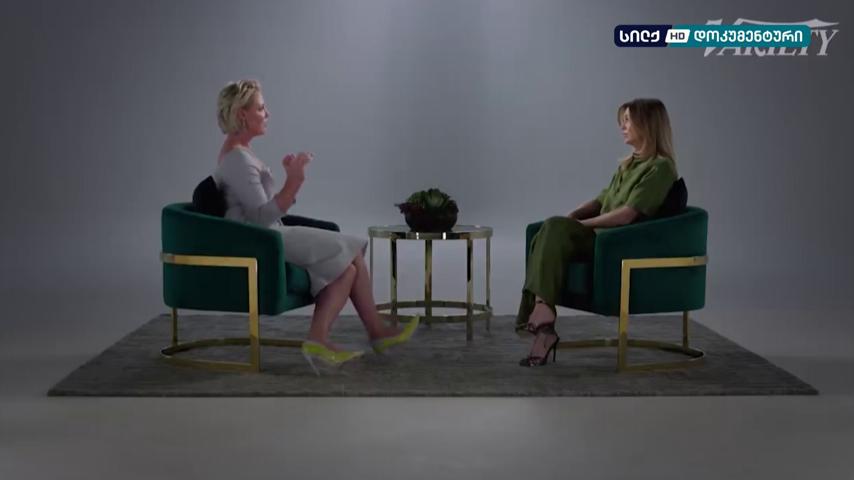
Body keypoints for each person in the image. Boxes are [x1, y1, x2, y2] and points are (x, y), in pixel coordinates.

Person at [213, 79, 418, 375]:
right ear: (242, 114)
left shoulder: (239, 153)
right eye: (261, 108)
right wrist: (294, 181)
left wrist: (288, 180)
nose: (267, 113)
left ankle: (324, 339)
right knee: (350, 248)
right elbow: (259, 219)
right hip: (261, 240)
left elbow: (260, 209)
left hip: (267, 234)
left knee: (347, 269)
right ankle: (372, 332)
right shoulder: (237, 159)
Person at [517, 98, 678, 367]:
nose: (622, 127)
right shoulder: (628, 165)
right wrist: (570, 217)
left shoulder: (660, 168)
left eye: (627, 121)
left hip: (616, 243)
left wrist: (581, 226)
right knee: (547, 229)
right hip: (599, 238)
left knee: (553, 228)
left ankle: (540, 316)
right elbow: (600, 200)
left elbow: (627, 214)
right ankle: (544, 326)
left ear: (647, 124)